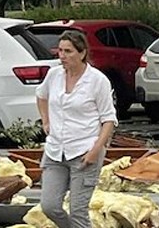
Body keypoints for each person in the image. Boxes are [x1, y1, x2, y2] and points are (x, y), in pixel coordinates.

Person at [36, 30, 117, 228]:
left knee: (78, 211)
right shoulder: (54, 75)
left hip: (84, 151)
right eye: (60, 51)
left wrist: (95, 150)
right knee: (49, 206)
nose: (62, 56)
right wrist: (46, 121)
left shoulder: (97, 80)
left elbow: (108, 120)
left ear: (82, 53)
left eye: (68, 51)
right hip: (56, 151)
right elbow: (41, 96)